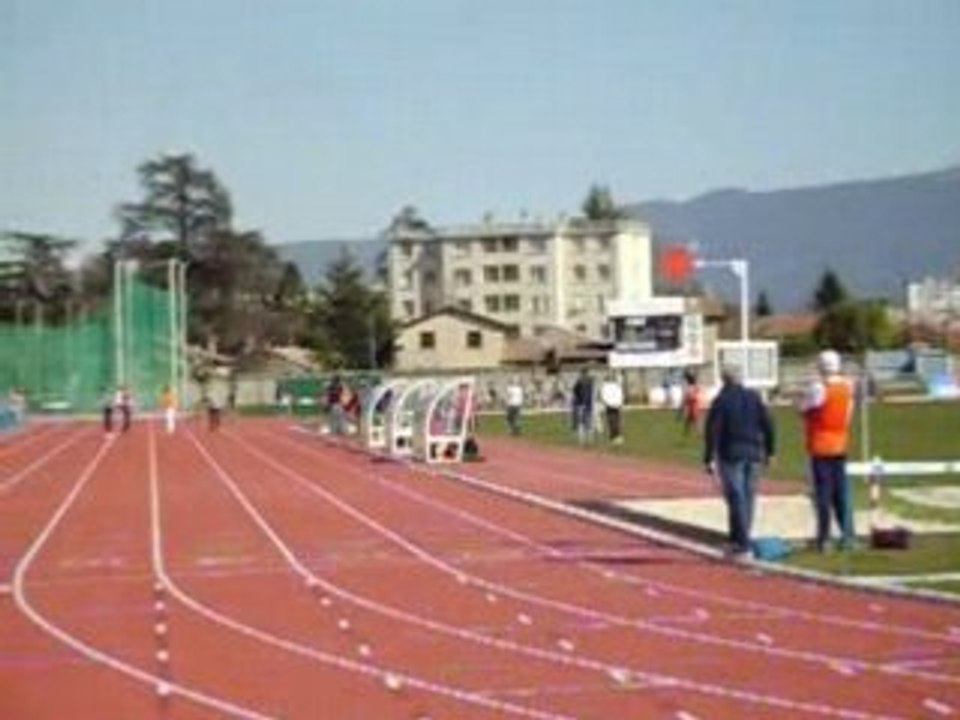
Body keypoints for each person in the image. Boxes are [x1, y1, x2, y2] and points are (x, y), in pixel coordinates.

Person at [703, 363, 776, 560]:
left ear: (724, 379)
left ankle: (743, 543)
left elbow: (713, 430)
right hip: (753, 452)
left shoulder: (722, 400)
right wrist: (771, 450)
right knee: (748, 496)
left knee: (736, 498)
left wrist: (709, 457)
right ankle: (738, 538)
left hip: (731, 453)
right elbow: (767, 423)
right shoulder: (753, 397)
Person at [799, 349, 856, 552]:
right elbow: (848, 416)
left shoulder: (818, 388)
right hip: (840, 444)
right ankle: (848, 535)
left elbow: (804, 408)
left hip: (820, 445)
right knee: (841, 493)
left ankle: (824, 538)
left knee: (822, 495)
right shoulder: (847, 388)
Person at [571, 368, 595, 444]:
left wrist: (578, 401)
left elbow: (575, 391)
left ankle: (582, 439)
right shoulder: (591, 380)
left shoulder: (579, 380)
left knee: (581, 421)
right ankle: (590, 439)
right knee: (588, 421)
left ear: (581, 373)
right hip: (589, 404)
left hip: (581, 403)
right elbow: (592, 392)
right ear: (587, 372)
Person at [599, 373, 624, 444]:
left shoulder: (605, 386)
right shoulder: (615, 386)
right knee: (616, 420)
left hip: (610, 405)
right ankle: (616, 435)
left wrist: (605, 402)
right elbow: (620, 394)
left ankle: (614, 436)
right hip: (616, 404)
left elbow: (603, 396)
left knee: (611, 420)